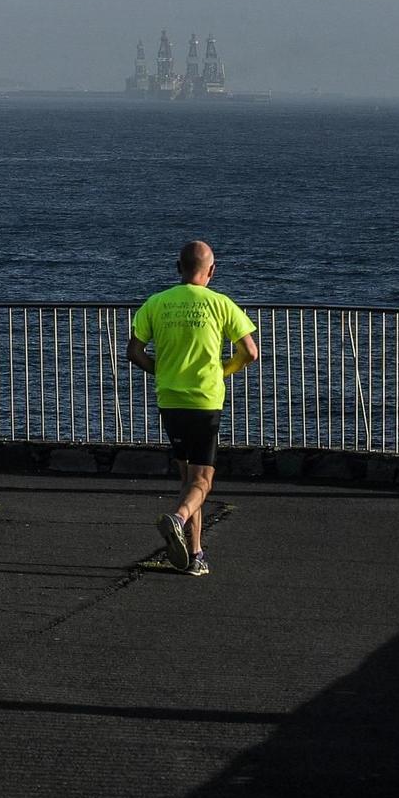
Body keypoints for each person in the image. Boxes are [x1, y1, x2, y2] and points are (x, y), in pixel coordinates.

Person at [126, 240, 259, 577]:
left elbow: (135, 351)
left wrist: (162, 370)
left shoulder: (157, 303)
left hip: (169, 400)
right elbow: (250, 352)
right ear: (211, 271)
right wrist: (224, 370)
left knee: (188, 477)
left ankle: (195, 553)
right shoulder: (221, 304)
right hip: (204, 400)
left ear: (178, 267)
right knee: (204, 481)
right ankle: (179, 518)